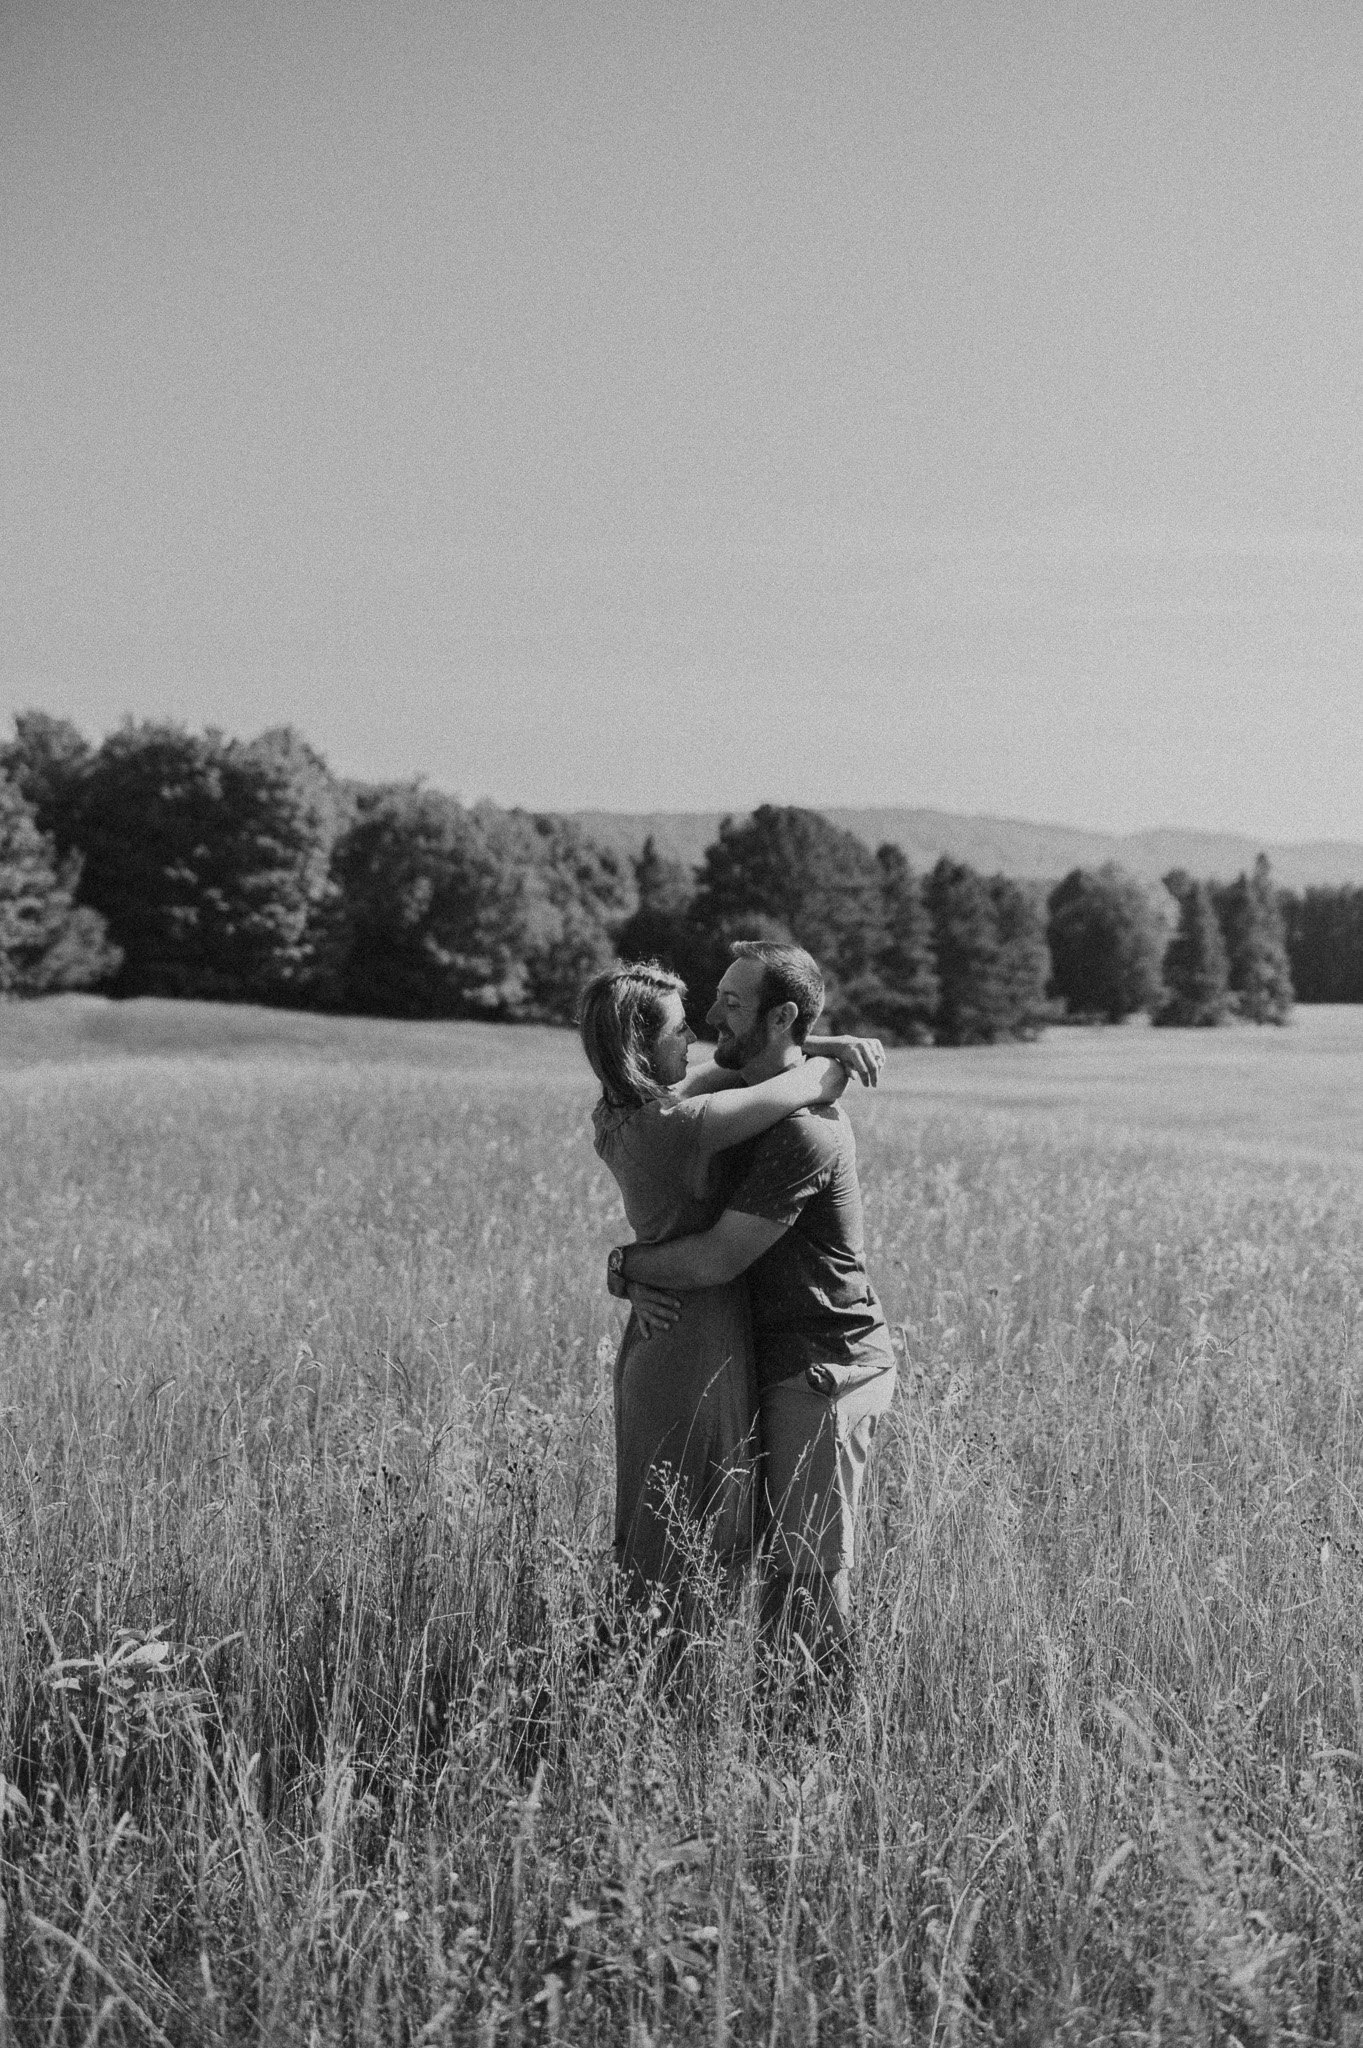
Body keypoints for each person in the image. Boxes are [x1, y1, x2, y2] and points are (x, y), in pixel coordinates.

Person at [610, 941, 896, 1666]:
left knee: (805, 1580)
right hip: (771, 1364)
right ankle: (776, 1731)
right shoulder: (736, 1100)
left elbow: (716, 1259)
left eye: (732, 1004)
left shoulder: (801, 1130)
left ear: (779, 1018)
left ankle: (828, 1742)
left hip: (822, 1366)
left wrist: (625, 1265)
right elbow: (727, 1079)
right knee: (768, 1571)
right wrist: (817, 1047)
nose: (709, 1015)